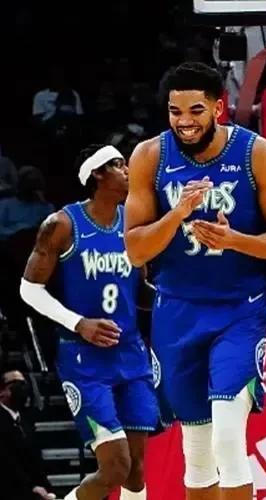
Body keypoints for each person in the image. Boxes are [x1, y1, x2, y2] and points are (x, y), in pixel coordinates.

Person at [124, 62, 266, 500]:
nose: (184, 122)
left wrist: (235, 239)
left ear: (219, 108)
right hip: (177, 309)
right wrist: (177, 214)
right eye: (175, 112)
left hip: (240, 308)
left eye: (196, 110)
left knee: (227, 436)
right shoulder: (149, 156)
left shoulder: (257, 154)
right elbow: (136, 251)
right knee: (197, 451)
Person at [18, 144, 158, 500]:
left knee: (136, 472)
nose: (128, 171)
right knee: (115, 467)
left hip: (131, 353)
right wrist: (79, 323)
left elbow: (139, 289)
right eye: (118, 165)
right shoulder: (62, 224)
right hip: (85, 359)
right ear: (97, 173)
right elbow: (28, 289)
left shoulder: (134, 222)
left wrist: (175, 296)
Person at [0, 370, 55, 500]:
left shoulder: (26, 419)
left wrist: (46, 488)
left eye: (23, 384)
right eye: (16, 384)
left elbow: (34, 458)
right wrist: (31, 487)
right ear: (2, 391)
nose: (22, 389)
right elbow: (6, 461)